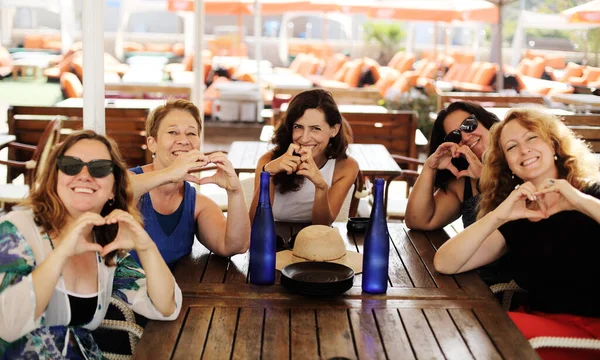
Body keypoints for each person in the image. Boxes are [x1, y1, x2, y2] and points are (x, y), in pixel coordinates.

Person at [433, 109, 600, 360]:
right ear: (507, 164)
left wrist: (577, 199)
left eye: (532, 138)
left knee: (485, 334)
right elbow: (445, 262)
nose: (524, 151)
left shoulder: (591, 194)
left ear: (553, 144)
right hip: (535, 327)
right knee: (458, 329)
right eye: (512, 147)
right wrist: (500, 214)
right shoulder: (520, 214)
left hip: (587, 332)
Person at [0, 130, 182, 359]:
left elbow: (166, 306)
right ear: (54, 178)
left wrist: (146, 248)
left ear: (113, 190)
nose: (84, 174)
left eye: (99, 168)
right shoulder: (17, 231)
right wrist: (62, 253)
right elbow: (6, 325)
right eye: (70, 165)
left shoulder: (105, 246)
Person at [129, 99, 250, 269]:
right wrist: (170, 173)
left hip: (173, 293)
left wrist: (235, 191)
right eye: (173, 132)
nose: (184, 140)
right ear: (152, 143)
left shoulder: (197, 204)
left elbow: (235, 245)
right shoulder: (129, 180)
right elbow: (115, 191)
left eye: (191, 134)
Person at [250, 89, 359, 225]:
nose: (305, 138)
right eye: (298, 127)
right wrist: (268, 175)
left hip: (315, 240)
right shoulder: (269, 161)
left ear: (334, 130)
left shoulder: (346, 167)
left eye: (315, 128)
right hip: (273, 236)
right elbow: (255, 222)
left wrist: (321, 186)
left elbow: (322, 226)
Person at [405, 101, 500, 230]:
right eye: (455, 136)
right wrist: (430, 167)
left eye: (468, 124)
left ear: (485, 121)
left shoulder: (520, 160)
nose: (465, 137)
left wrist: (484, 177)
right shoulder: (463, 184)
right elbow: (418, 221)